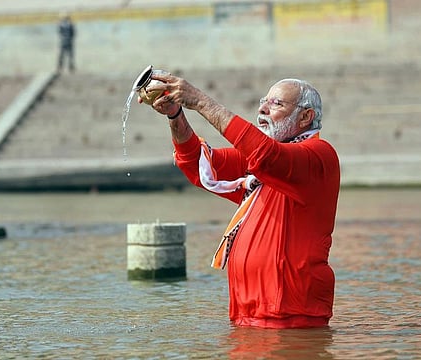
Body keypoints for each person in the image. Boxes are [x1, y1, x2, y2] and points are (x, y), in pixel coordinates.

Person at [137, 71, 340, 329]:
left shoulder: (319, 156)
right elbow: (198, 163)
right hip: (246, 316)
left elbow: (266, 155)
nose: (263, 110)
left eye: (276, 104)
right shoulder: (258, 166)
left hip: (293, 316)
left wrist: (199, 100)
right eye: (263, 102)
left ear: (305, 116)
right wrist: (175, 115)